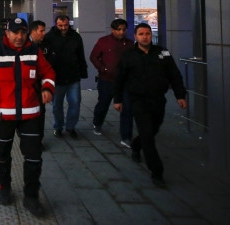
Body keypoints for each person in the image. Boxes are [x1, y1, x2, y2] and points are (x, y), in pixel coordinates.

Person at [0, 17, 55, 216]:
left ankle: (31, 197)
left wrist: (47, 88)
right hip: (2, 115)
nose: (19, 37)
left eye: (23, 33)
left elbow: (48, 72)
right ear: (7, 33)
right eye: (15, 32)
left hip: (31, 114)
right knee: (2, 154)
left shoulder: (35, 52)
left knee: (34, 158)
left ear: (27, 33)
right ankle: (4, 188)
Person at [113, 23, 188, 188]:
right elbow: (119, 79)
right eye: (141, 34)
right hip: (138, 101)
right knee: (147, 134)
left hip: (158, 100)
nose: (145, 36)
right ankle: (157, 172)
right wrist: (117, 99)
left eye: (147, 33)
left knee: (153, 130)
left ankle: (136, 144)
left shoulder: (163, 53)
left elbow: (174, 75)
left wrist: (180, 95)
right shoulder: (128, 56)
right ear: (136, 36)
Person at [89, 18, 134, 147]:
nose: (121, 32)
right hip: (107, 80)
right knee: (103, 105)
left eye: (124, 30)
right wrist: (103, 69)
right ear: (112, 30)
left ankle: (126, 137)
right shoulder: (104, 42)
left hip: (125, 83)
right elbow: (93, 56)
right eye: (118, 30)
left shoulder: (130, 44)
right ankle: (97, 123)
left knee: (127, 109)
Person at [43, 15, 88, 139]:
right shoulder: (49, 37)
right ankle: (58, 127)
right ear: (55, 25)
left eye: (66, 25)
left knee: (75, 103)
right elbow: (45, 58)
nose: (63, 28)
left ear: (69, 24)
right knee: (57, 105)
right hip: (56, 78)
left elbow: (81, 56)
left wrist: (83, 72)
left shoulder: (75, 37)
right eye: (60, 26)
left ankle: (70, 127)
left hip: (73, 76)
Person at [29, 20, 48, 146]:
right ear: (33, 31)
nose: (43, 34)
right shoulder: (25, 46)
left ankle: (38, 140)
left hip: (40, 86)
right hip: (28, 86)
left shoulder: (44, 44)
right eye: (41, 31)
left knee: (40, 113)